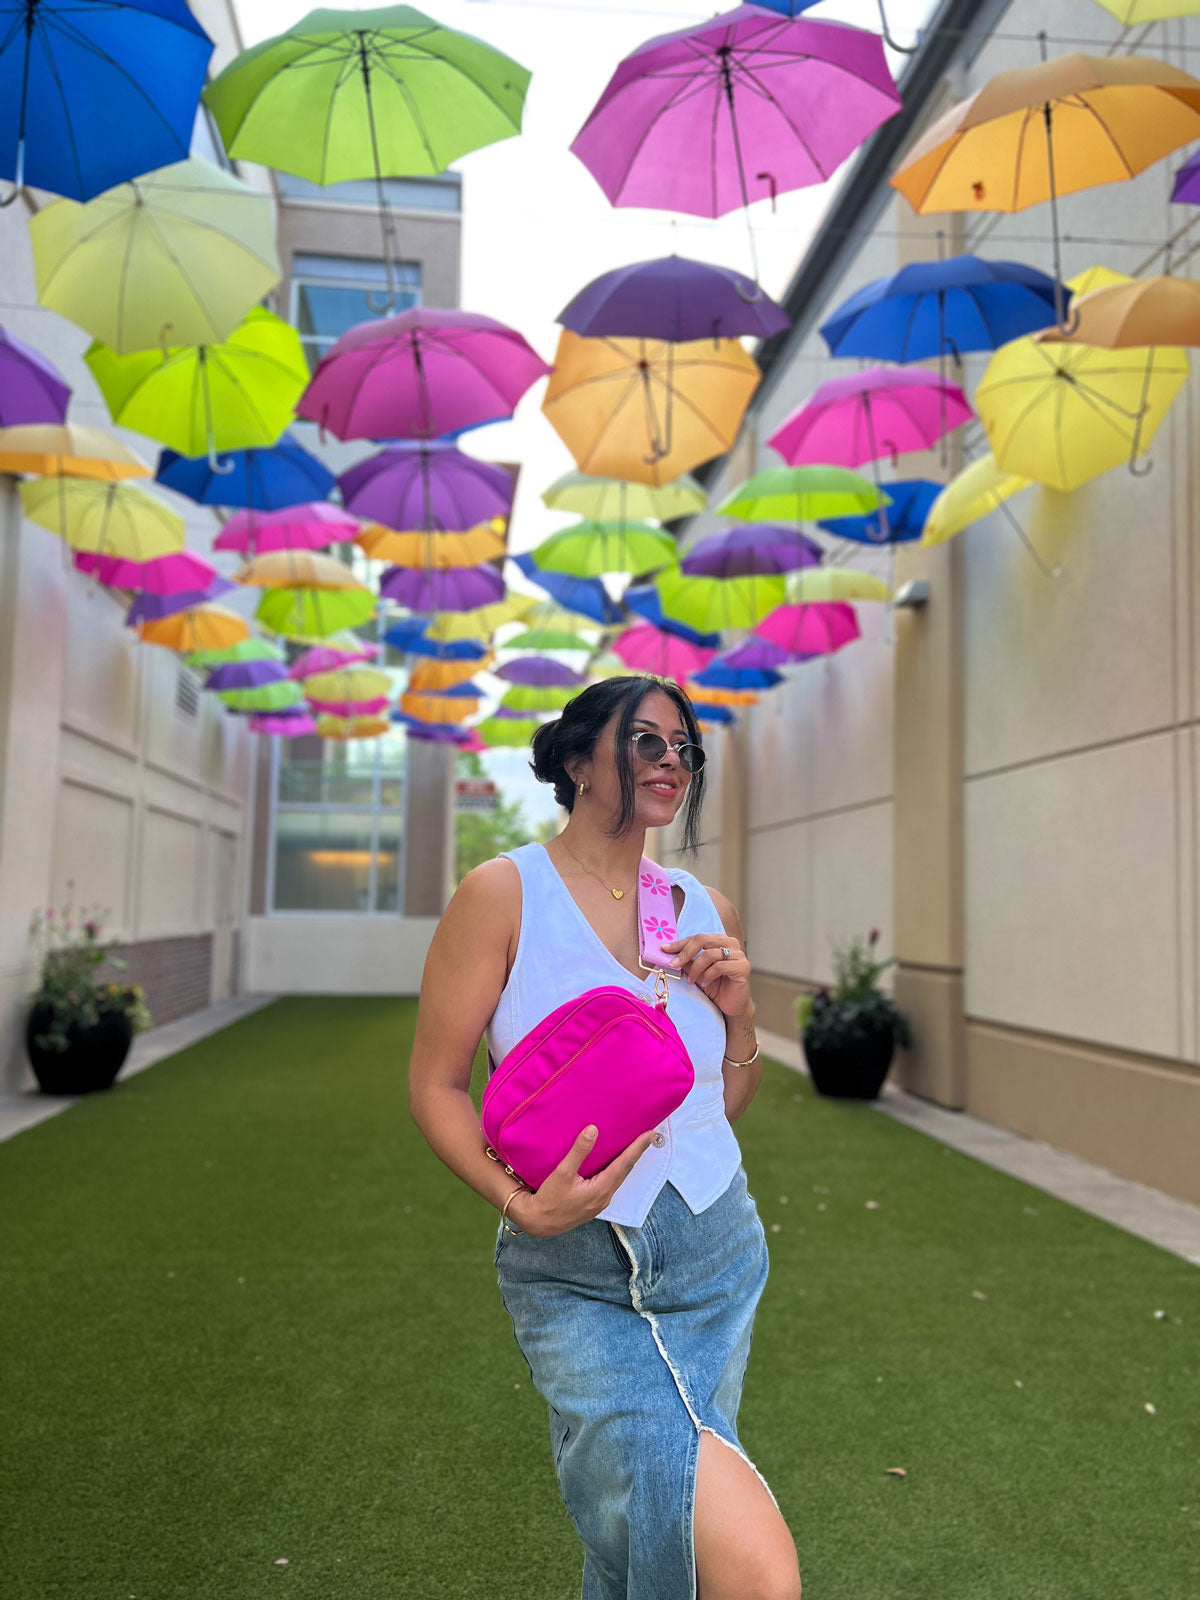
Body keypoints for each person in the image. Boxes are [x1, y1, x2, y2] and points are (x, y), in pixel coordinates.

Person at [409, 674, 801, 1600]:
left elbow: (721, 1105)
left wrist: (740, 1017)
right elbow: (434, 1085)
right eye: (648, 742)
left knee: (641, 1535)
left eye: (685, 748)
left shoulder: (705, 908)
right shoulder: (504, 894)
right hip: (577, 1271)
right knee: (745, 1567)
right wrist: (522, 1207)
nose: (674, 763)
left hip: (717, 1256)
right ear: (581, 760)